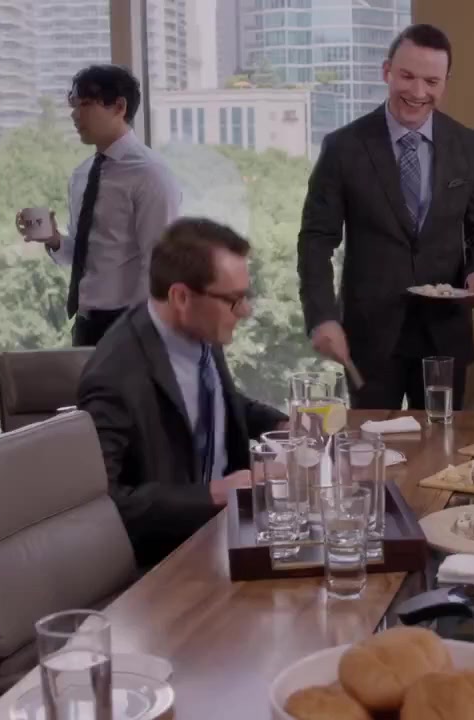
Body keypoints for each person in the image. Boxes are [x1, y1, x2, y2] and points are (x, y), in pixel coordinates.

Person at [298, 23, 474, 410]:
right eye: (407, 76)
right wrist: (322, 316)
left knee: (444, 441)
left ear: (445, 83)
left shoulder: (468, 144)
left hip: (445, 333)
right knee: (372, 442)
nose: (418, 92)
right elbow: (316, 240)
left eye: (431, 81)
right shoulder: (344, 147)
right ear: (387, 71)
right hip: (370, 335)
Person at [78, 218, 288, 567]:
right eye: (234, 300)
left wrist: (281, 424)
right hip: (171, 564)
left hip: (230, 536)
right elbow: (103, 503)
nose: (245, 311)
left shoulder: (198, 328)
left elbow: (217, 403)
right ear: (181, 297)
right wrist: (213, 494)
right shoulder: (114, 377)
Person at [22, 64, 182, 347]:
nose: (75, 114)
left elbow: (159, 265)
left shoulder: (150, 174)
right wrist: (54, 239)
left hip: (132, 327)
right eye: (73, 105)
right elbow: (83, 256)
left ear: (119, 107)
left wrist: (141, 334)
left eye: (85, 104)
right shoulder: (82, 175)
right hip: (85, 324)